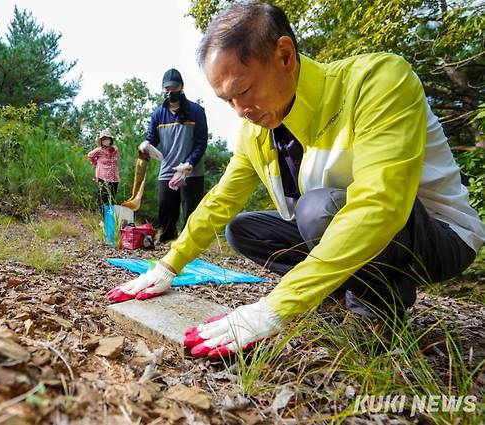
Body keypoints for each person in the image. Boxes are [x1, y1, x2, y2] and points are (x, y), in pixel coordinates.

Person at [106, 2, 485, 359]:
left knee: (316, 209)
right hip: (341, 223)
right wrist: (168, 266)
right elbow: (220, 200)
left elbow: (379, 205)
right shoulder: (255, 132)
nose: (241, 111)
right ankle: (337, 292)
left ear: (285, 56)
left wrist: (275, 306)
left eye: (244, 90)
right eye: (227, 102)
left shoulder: (375, 81)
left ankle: (376, 314)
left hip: (440, 235)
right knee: (245, 230)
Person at [138, 68, 208, 244]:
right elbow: (152, 137)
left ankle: (188, 242)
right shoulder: (158, 114)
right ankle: (168, 236)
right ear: (163, 90)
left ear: (181, 87)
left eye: (174, 88)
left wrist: (190, 162)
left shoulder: (196, 111)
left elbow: (201, 142)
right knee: (165, 207)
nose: (170, 92)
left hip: (191, 169)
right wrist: (146, 145)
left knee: (190, 210)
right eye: (167, 89)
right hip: (168, 167)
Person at [87, 129, 120, 223]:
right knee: (104, 199)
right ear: (101, 141)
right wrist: (96, 163)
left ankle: (110, 220)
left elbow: (115, 161)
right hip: (103, 176)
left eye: (107, 138)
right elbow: (90, 155)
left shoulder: (115, 150)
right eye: (103, 138)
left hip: (114, 177)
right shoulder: (99, 150)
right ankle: (103, 220)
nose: (105, 140)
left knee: (112, 199)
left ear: (110, 139)